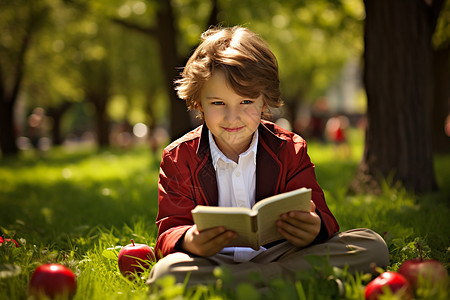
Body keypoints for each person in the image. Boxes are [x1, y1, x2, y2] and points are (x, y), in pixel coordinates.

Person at [147, 26, 388, 288]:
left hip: (281, 254)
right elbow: (169, 230)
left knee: (371, 245)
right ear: (198, 102)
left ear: (265, 102)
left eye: (247, 102)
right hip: (214, 261)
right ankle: (294, 284)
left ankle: (240, 286)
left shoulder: (289, 148)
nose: (232, 117)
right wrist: (190, 239)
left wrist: (314, 227)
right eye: (218, 103)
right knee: (166, 273)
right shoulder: (178, 157)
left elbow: (323, 217)